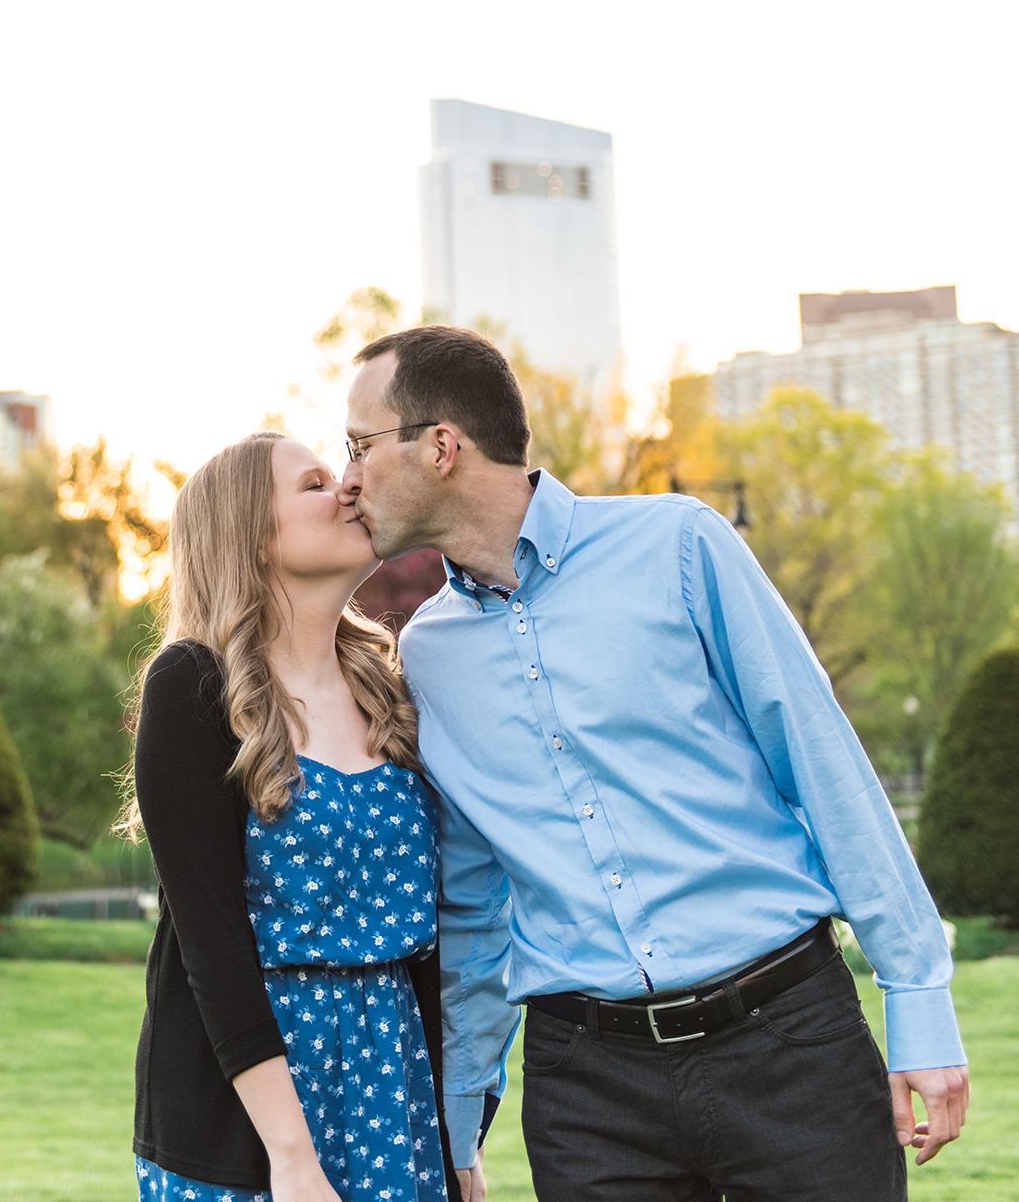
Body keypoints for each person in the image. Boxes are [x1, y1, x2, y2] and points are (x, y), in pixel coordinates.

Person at [340, 326, 969, 1202]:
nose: (347, 480)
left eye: (358, 447)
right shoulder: (430, 656)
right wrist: (457, 1109)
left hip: (788, 1045)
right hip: (586, 1087)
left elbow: (821, 764)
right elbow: (476, 898)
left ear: (441, 445)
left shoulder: (678, 544)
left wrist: (918, 1000)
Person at [127, 430, 455, 1202]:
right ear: (251, 536)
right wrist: (291, 1156)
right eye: (312, 484)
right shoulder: (192, 686)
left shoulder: (392, 689)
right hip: (250, 1113)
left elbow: (435, 934)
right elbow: (211, 942)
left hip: (392, 1085)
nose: (346, 485)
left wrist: (453, 1125)